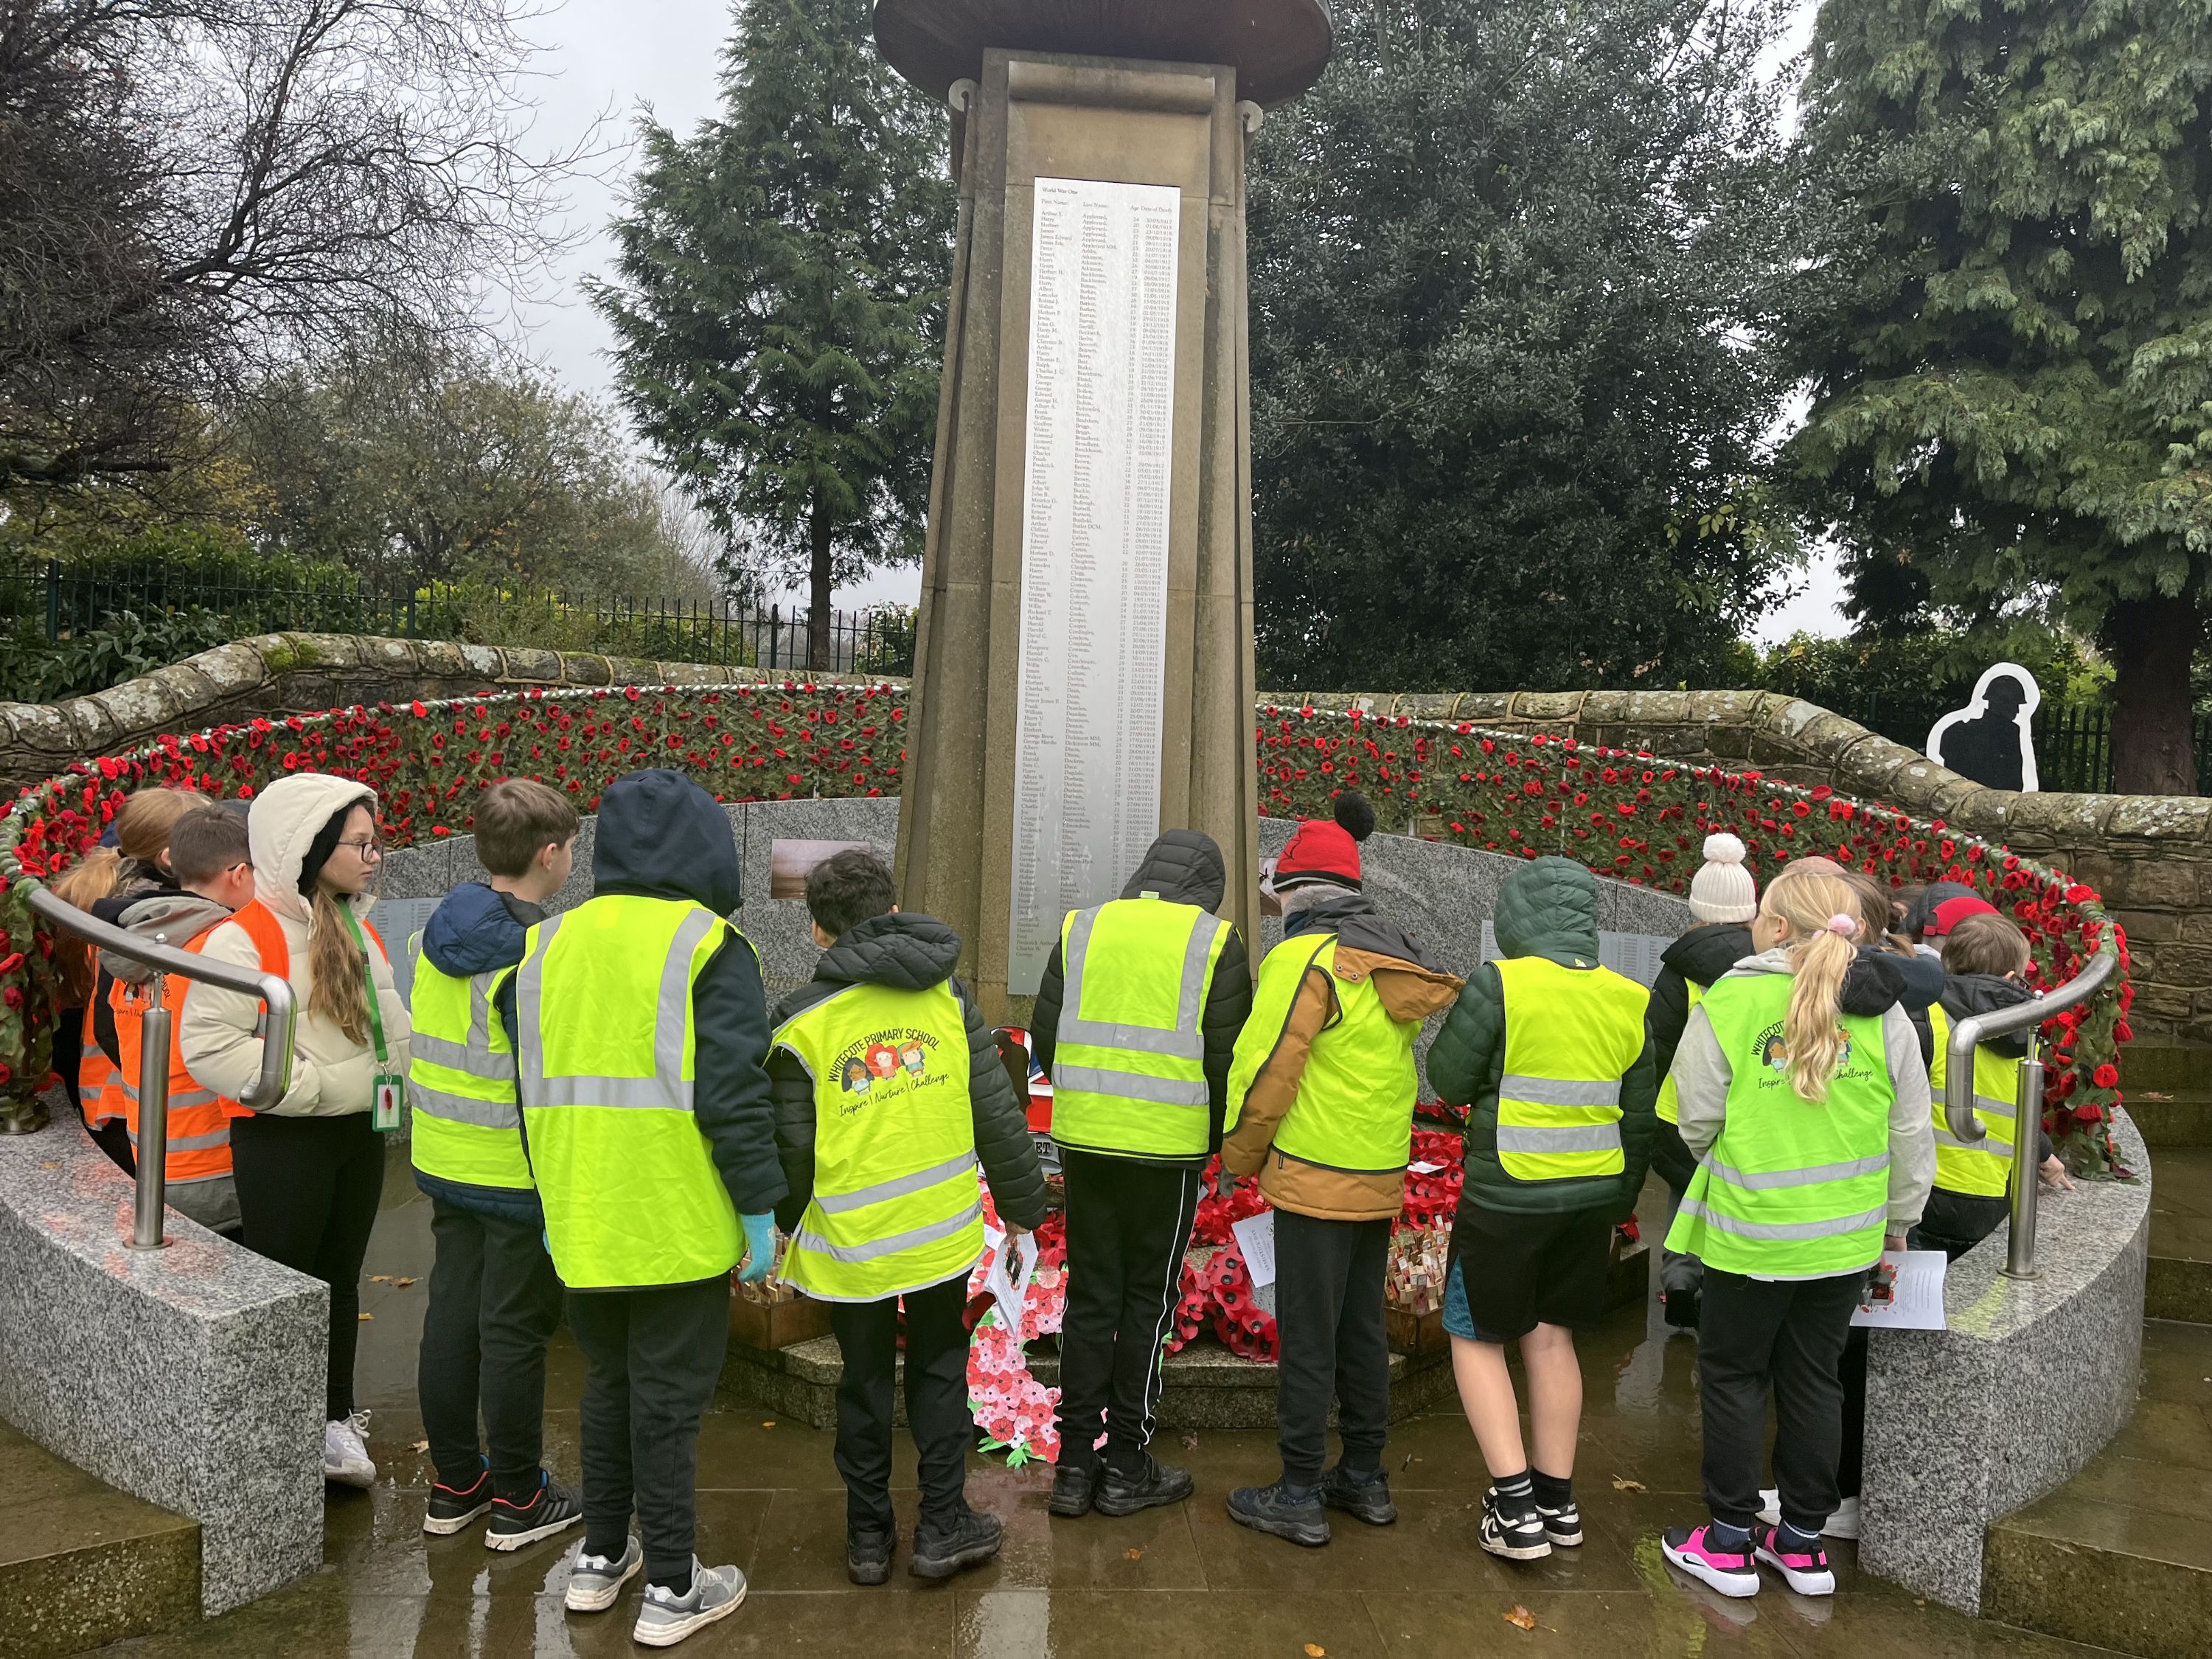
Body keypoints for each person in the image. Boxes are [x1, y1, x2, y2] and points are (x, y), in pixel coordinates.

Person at [498, 768, 782, 1648]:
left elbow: (529, 1082)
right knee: (666, 1405)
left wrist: (554, 1194)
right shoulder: (710, 946)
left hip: (581, 1216)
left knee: (609, 1388)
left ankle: (599, 1557)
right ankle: (672, 1585)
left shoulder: (544, 945)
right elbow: (735, 1095)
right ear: (706, 849)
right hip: (674, 1219)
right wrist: (760, 1209)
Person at [768, 849, 1047, 1585]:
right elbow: (997, 1113)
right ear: (892, 911)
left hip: (853, 1246)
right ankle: (944, 1525)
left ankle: (868, 1537)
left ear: (818, 930)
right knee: (938, 1371)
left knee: (862, 1381)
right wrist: (1024, 1208)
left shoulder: (800, 1022)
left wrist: (789, 1221)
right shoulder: (946, 998)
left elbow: (791, 1144)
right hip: (938, 1236)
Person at [1658, 866, 1934, 1602]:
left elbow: (1696, 1116)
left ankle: (1728, 1543)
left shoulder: (1734, 997)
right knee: (1814, 1379)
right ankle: (1804, 1545)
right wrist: (1899, 1223)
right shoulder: (1885, 1011)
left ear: (1778, 926)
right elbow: (1910, 1130)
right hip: (1847, 1240)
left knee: (1735, 1376)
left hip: (1749, 1233)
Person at [1217, 793, 1462, 1548]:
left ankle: (1297, 1489)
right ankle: (1364, 1476)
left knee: (1308, 1333)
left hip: (1314, 1174)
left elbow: (1268, 1070)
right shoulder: (1388, 956)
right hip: (1377, 1173)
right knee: (1360, 1328)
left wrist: (1236, 1157)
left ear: (1296, 895)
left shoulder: (1304, 960)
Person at [180, 773, 411, 1489]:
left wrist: (391, 1086)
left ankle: (333, 1416)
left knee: (340, 1279)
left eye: (375, 842)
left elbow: (388, 1027)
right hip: (284, 1139)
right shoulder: (240, 940)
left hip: (357, 1131)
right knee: (288, 1287)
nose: (374, 856)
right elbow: (210, 1046)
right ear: (307, 847)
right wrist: (309, 1090)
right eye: (360, 844)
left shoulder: (357, 926)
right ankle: (280, 1425)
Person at [1427, 856, 1657, 1560]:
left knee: (1477, 1337)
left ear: (1515, 916)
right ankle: (1559, 1504)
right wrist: (1619, 1204)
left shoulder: (1501, 984)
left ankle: (1514, 1508)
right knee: (1553, 1340)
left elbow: (1448, 1079)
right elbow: (1639, 1119)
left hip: (1507, 1194)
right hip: (1590, 1199)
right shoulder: (1630, 997)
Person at [1028, 830, 1253, 1522]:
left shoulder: (1083, 927)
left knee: (1091, 1297)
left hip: (1087, 1142)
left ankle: (1073, 1466)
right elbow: (1227, 1059)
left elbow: (1045, 1038)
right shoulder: (1214, 940)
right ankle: (1126, 1463)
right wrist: (1213, 1145)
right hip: (1168, 1152)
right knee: (1146, 1302)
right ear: (1207, 889)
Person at [408, 779, 582, 1550]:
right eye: (571, 847)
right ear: (549, 854)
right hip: (514, 1169)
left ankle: (456, 1485)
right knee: (514, 1332)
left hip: (446, 1157)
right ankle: (518, 1496)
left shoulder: (438, 930)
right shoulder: (537, 954)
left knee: (451, 1317)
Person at [100, 806, 257, 1237]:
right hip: (220, 1165)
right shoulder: (223, 951)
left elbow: (110, 1033)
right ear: (239, 874)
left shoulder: (135, 943)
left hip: (154, 1161)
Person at [49, 787, 204, 1171]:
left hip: (108, 1094)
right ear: (170, 859)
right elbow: (111, 1023)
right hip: (128, 1098)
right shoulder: (152, 920)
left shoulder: (107, 897)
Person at [1644, 832, 1759, 1331]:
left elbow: (1658, 1043)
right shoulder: (1768, 964)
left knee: (1684, 1193)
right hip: (1747, 1107)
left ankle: (1679, 1279)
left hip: (1681, 1108)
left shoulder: (1681, 968)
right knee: (1733, 1199)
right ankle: (1722, 1284)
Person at [1917, 910, 2071, 1258]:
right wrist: (2043, 1153)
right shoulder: (2025, 1035)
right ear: (2013, 978)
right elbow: (2016, 1109)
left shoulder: (1927, 1017)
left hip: (1928, 1193)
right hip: (1994, 1197)